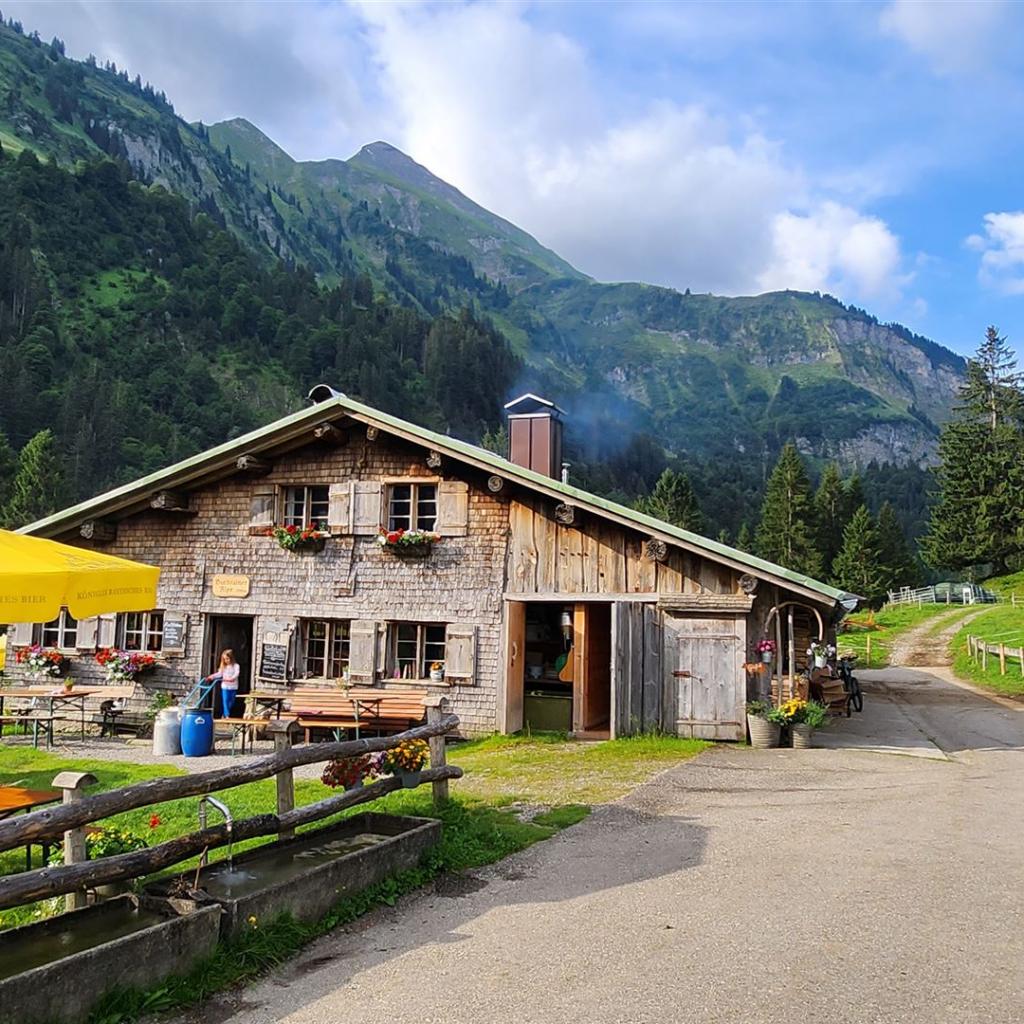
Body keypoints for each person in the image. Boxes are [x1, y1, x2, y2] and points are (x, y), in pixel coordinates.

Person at [206, 649, 240, 719]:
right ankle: (227, 715)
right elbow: (219, 674)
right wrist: (211, 677)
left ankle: (224, 714)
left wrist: (232, 678)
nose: (226, 660)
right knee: (225, 700)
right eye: (224, 659)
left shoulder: (236, 666)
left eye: (227, 658)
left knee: (232, 701)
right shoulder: (223, 667)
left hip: (233, 686)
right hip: (225, 686)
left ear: (231, 658)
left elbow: (236, 673)